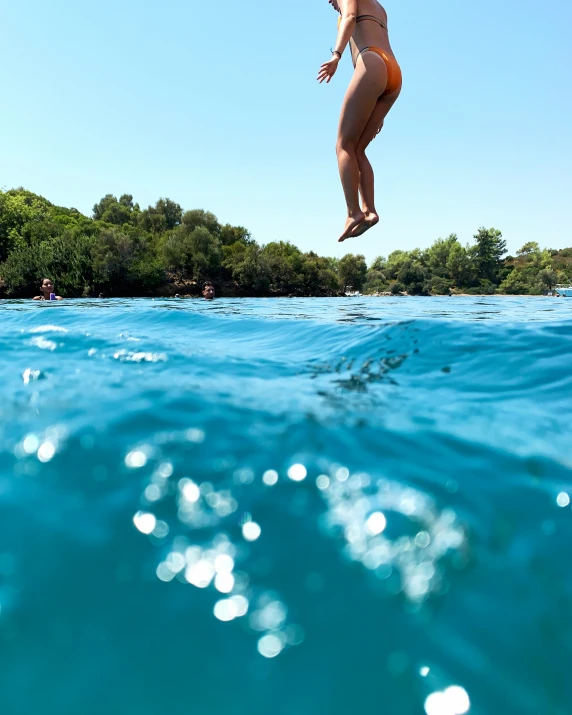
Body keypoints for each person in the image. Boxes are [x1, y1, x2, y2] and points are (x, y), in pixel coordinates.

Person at [318, 0, 402, 242]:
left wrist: (336, 55)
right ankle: (370, 211)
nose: (329, 2)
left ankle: (353, 212)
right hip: (392, 73)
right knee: (358, 149)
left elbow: (350, 16)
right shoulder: (379, 7)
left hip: (372, 64)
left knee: (343, 146)